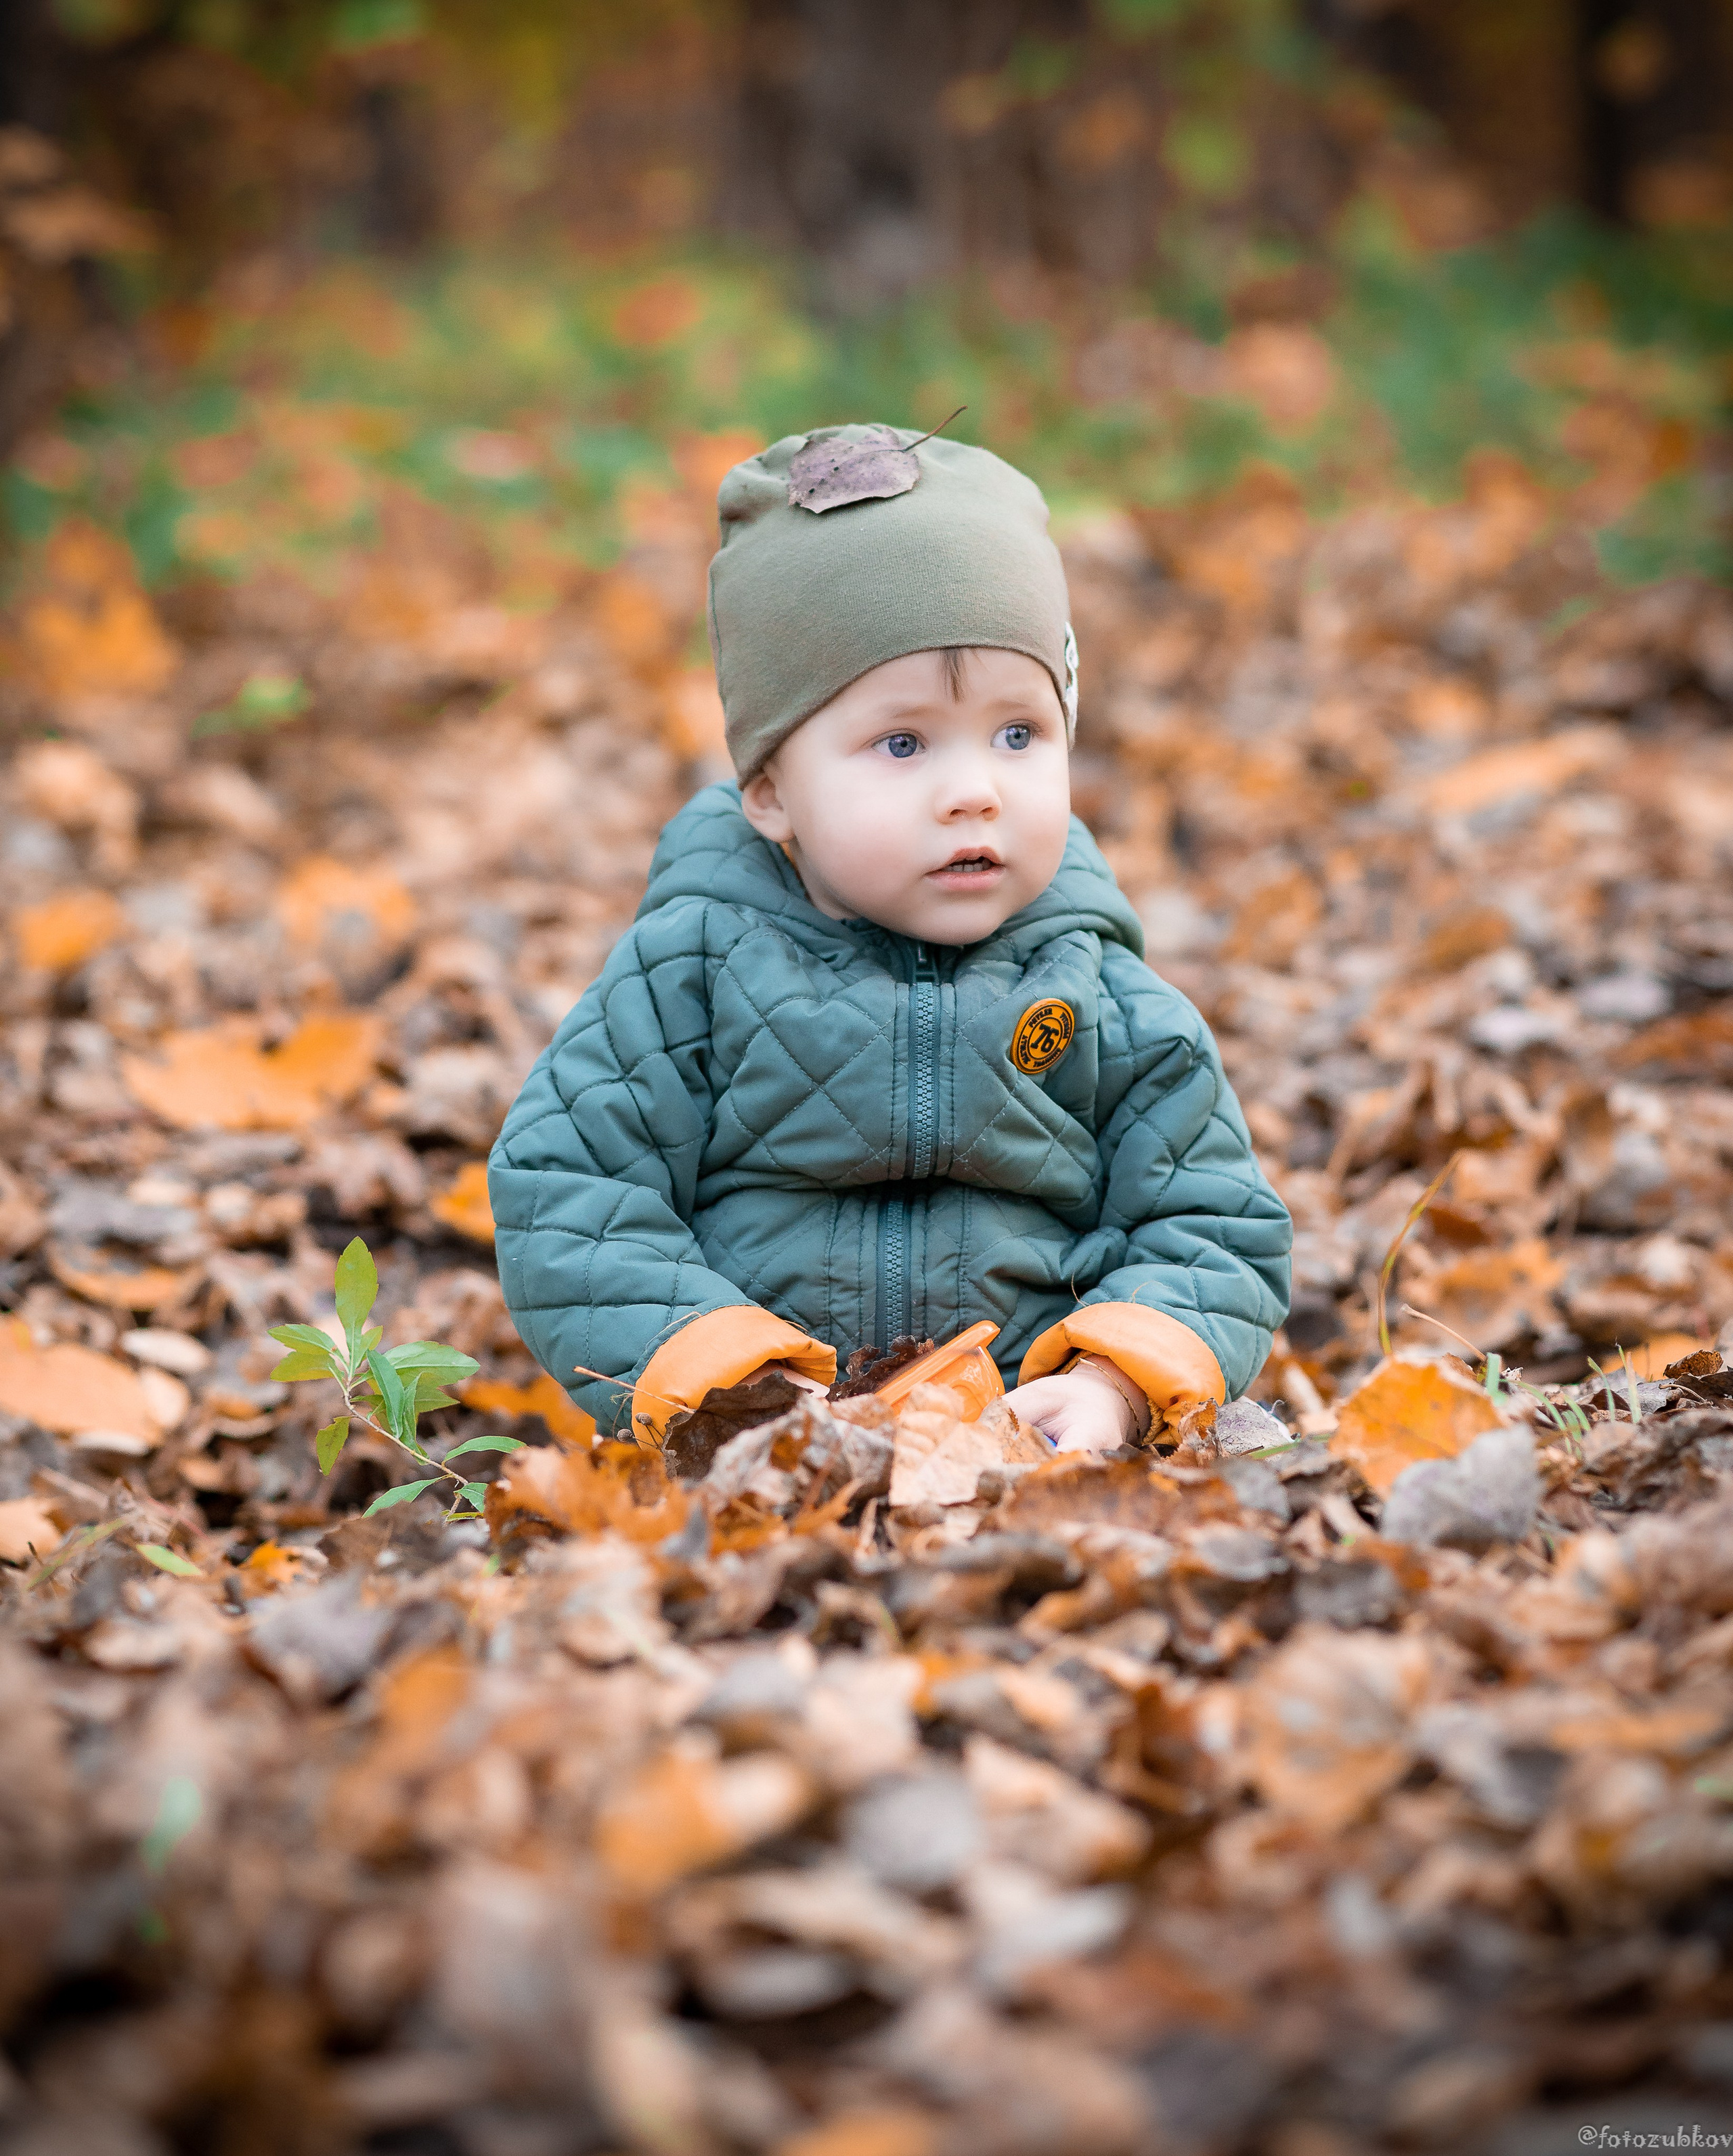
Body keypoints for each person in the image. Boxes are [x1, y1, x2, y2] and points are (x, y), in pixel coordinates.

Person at [489, 423, 1291, 1454]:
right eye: (903, 742)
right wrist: (731, 1383)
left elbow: (1212, 1219)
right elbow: (570, 1192)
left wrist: (1113, 1384)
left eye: (1019, 734)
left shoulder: (1104, 990)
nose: (974, 791)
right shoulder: (689, 972)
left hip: (1027, 1450)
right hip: (762, 1450)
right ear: (773, 791)